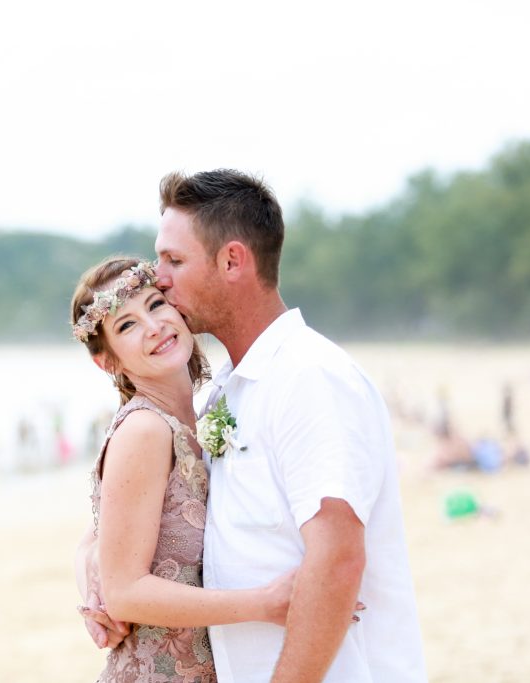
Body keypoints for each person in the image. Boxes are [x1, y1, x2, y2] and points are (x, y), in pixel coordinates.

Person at [83, 169, 426, 682]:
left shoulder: (309, 379)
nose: (160, 278)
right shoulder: (231, 387)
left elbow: (336, 562)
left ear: (232, 261)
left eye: (175, 260)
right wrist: (92, 559)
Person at [71, 256, 304, 682]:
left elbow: (100, 533)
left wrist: (88, 567)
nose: (154, 326)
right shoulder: (145, 429)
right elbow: (125, 594)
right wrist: (266, 602)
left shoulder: (198, 416)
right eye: (127, 325)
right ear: (107, 362)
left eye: (156, 304)